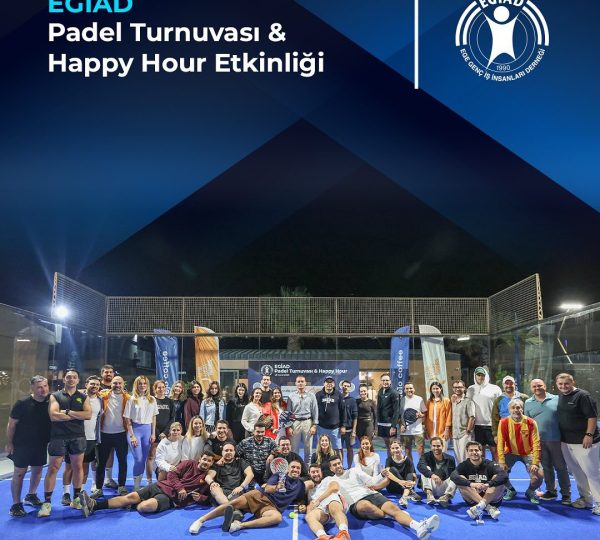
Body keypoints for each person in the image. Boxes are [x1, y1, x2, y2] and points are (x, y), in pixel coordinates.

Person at [329, 456, 440, 540]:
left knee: (393, 508)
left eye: (339, 463)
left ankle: (418, 526)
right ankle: (390, 515)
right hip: (356, 503)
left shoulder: (354, 470)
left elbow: (371, 481)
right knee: (365, 505)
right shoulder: (330, 480)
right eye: (334, 465)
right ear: (331, 468)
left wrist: (381, 475)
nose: (338, 466)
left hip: (372, 494)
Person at [79, 450, 216, 517]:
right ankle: (94, 505)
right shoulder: (189, 463)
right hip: (161, 486)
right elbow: (172, 474)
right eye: (204, 459)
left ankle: (131, 504)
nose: (206, 462)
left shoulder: (208, 478)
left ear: (212, 463)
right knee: (131, 496)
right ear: (200, 459)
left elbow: (208, 499)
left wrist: (201, 498)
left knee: (144, 507)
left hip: (170, 499)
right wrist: (180, 488)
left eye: (209, 461)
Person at [188, 459, 306, 534]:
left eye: (298, 468)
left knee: (277, 518)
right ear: (288, 469)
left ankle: (239, 525)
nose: (295, 469)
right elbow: (267, 489)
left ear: (300, 471)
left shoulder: (301, 485)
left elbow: (301, 499)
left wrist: (302, 505)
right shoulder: (279, 475)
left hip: (272, 508)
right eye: (293, 467)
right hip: (260, 496)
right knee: (232, 504)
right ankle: (201, 520)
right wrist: (277, 487)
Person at [38, 368, 92, 517]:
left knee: (77, 467)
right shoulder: (55, 396)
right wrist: (77, 415)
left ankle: (76, 499)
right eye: (68, 377)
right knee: (53, 468)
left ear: (78, 380)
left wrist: (67, 412)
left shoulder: (83, 397)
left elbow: (88, 415)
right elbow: (54, 416)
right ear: (64, 379)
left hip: (78, 437)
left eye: (74, 377)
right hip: (58, 437)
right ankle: (47, 503)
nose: (71, 379)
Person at [6, 375, 51, 517]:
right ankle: (16, 504)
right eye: (39, 387)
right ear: (32, 388)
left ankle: (31, 495)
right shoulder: (22, 403)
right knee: (19, 473)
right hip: (22, 444)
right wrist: (9, 443)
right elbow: (11, 424)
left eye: (45, 386)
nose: (43, 390)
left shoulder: (51, 402)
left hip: (40, 444)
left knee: (37, 471)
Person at [555, 373, 600, 514]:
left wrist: (589, 435)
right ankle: (586, 500)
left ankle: (599, 502)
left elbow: (592, 417)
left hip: (585, 442)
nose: (563, 386)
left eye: (566, 383)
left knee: (592, 472)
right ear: (557, 384)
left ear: (573, 382)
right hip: (567, 442)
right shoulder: (560, 397)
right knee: (577, 472)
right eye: (560, 384)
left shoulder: (583, 396)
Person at [524, 378, 571, 504]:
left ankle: (566, 494)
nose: (537, 388)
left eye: (539, 385)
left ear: (545, 386)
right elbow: (527, 424)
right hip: (539, 442)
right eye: (534, 386)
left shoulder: (557, 399)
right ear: (531, 388)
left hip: (556, 440)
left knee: (561, 468)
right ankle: (551, 491)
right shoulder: (528, 403)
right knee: (546, 467)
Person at [62, 375, 103, 506]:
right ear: (86, 385)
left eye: (97, 384)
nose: (95, 386)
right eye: (92, 384)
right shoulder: (77, 397)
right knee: (69, 467)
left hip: (91, 438)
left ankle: (80, 493)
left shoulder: (100, 400)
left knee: (84, 467)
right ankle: (66, 493)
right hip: (74, 437)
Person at [497, 398, 543, 504]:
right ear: (509, 410)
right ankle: (510, 490)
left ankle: (530, 491)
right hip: (510, 452)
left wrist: (535, 462)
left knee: (539, 476)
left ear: (522, 409)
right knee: (498, 471)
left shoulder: (531, 422)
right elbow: (500, 443)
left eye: (518, 407)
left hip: (528, 453)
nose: (515, 410)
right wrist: (502, 461)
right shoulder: (503, 422)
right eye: (513, 408)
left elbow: (536, 443)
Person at [451, 441, 508, 521]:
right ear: (467, 452)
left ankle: (480, 506)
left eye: (476, 450)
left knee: (498, 478)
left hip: (492, 499)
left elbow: (504, 475)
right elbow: (453, 476)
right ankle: (489, 508)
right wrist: (472, 484)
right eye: (471, 450)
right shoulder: (464, 465)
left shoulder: (490, 464)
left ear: (481, 452)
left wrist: (487, 484)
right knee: (460, 479)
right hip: (473, 499)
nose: (474, 452)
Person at [94, 375, 130, 498]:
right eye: (115, 383)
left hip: (121, 434)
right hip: (104, 434)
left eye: (119, 383)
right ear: (111, 384)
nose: (117, 385)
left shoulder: (128, 398)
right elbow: (89, 392)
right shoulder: (103, 395)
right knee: (101, 463)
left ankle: (121, 486)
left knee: (122, 462)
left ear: (123, 384)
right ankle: (98, 489)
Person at [123, 375, 159, 490]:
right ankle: (136, 487)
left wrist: (153, 433)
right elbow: (127, 419)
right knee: (138, 459)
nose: (142, 385)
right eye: (140, 383)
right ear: (136, 385)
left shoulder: (152, 399)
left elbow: (153, 417)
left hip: (147, 431)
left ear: (147, 385)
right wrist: (132, 435)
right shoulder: (131, 399)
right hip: (135, 431)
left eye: (144, 383)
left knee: (143, 460)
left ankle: (139, 487)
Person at [305, 463, 348, 540]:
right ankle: (323, 536)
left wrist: (318, 500)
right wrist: (309, 510)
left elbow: (334, 488)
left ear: (321, 472)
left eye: (317, 471)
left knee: (333, 506)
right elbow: (310, 506)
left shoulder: (328, 479)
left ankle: (344, 534)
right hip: (322, 509)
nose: (316, 474)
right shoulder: (310, 491)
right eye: (313, 472)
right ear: (309, 474)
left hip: (333, 500)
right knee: (309, 517)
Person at [466, 367, 502, 460]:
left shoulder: (495, 388)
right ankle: (483, 469)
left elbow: (500, 406)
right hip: (477, 426)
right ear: (475, 376)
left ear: (486, 376)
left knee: (495, 452)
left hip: (492, 425)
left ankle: (496, 469)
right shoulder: (470, 389)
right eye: (478, 375)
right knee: (480, 453)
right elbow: (467, 405)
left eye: (482, 375)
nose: (480, 377)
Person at [205, 442, 254, 506]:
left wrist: (241, 487)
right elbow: (208, 476)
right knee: (214, 488)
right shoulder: (216, 465)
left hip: (236, 491)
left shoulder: (240, 462)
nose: (228, 452)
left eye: (231, 450)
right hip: (221, 493)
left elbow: (250, 474)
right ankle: (229, 506)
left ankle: (227, 507)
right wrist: (212, 483)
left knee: (238, 498)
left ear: (234, 452)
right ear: (222, 452)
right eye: (226, 450)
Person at [147, 380, 175, 484]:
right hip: (154, 433)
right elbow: (150, 418)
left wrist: (165, 432)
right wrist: (158, 433)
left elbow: (172, 418)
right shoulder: (151, 400)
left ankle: (162, 479)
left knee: (165, 458)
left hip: (166, 434)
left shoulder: (170, 401)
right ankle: (149, 481)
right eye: (159, 387)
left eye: (163, 387)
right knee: (151, 457)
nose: (161, 389)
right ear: (154, 389)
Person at [417, 436, 456, 507]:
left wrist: (442, 478)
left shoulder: (450, 459)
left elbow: (453, 474)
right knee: (425, 469)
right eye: (434, 446)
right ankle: (430, 495)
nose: (436, 448)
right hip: (431, 486)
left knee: (456, 475)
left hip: (444, 487)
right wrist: (432, 475)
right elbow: (420, 466)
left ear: (442, 446)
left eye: (438, 446)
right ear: (431, 446)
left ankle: (446, 497)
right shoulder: (425, 456)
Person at [287, 375, 319, 462]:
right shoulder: (291, 396)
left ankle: (307, 467)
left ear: (305, 383)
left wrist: (314, 425)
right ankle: (295, 466)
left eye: (302, 381)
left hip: (308, 422)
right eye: (298, 381)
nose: (300, 383)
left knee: (308, 448)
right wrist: (289, 426)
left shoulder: (311, 396)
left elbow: (315, 411)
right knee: (294, 448)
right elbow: (288, 412)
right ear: (296, 383)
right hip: (295, 423)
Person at [236, 421, 277, 486]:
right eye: (258, 432)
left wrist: (273, 454)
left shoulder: (270, 441)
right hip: (250, 475)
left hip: (265, 474)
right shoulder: (245, 442)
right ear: (254, 431)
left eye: (262, 432)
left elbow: (278, 449)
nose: (260, 434)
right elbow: (235, 453)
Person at [491, 375, 528, 443]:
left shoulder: (523, 398)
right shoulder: (498, 400)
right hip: (504, 430)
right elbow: (494, 418)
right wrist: (495, 435)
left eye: (511, 383)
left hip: (521, 431)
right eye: (506, 383)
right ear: (503, 385)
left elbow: (528, 415)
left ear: (515, 384)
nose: (509, 385)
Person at [381, 440, 419, 506]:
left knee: (410, 474)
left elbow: (414, 475)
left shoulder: (408, 460)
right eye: (393, 448)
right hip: (393, 487)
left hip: (406, 487)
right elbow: (387, 473)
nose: (395, 450)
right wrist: (400, 482)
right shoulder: (389, 460)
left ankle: (404, 497)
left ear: (401, 448)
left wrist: (414, 483)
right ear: (390, 450)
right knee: (392, 469)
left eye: (397, 448)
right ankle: (409, 491)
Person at [315, 376, 345, 459]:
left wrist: (343, 425)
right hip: (321, 427)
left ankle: (340, 466)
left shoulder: (339, 394)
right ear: (324, 383)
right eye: (327, 382)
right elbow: (314, 410)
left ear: (334, 384)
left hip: (335, 428)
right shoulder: (318, 395)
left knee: (337, 449)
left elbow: (343, 410)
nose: (329, 384)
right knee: (321, 449)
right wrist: (314, 424)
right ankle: (320, 465)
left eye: (331, 382)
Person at [450, 379, 475, 464]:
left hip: (464, 434)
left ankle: (468, 472)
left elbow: (472, 417)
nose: (457, 389)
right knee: (458, 458)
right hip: (455, 434)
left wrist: (468, 431)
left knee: (466, 457)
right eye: (455, 387)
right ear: (453, 389)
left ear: (464, 388)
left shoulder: (468, 401)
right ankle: (461, 472)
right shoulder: (453, 401)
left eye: (460, 387)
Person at [399, 382, 427, 459]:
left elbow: (425, 412)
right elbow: (399, 416)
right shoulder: (401, 400)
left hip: (418, 431)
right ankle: (410, 467)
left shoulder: (419, 399)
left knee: (421, 451)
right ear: (404, 390)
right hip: (406, 431)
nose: (409, 390)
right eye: (407, 389)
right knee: (407, 452)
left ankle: (422, 466)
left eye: (411, 388)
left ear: (414, 389)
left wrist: (422, 415)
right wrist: (401, 425)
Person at [376, 374, 400, 456]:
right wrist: (377, 423)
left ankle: (396, 461)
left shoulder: (394, 393)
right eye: (383, 380)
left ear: (390, 381)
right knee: (387, 446)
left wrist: (393, 426)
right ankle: (389, 461)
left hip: (390, 425)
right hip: (381, 423)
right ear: (381, 381)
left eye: (387, 380)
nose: (385, 382)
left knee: (393, 446)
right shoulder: (380, 391)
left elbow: (397, 410)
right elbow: (379, 407)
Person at [424, 382, 452, 450]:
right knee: (434, 452)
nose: (435, 390)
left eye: (437, 388)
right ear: (431, 390)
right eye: (433, 389)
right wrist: (426, 430)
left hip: (442, 432)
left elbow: (449, 416)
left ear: (441, 389)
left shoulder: (446, 401)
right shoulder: (429, 401)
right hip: (431, 431)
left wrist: (447, 430)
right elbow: (425, 416)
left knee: (443, 452)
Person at [340, 380, 358, 468]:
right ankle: (340, 467)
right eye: (344, 386)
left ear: (350, 388)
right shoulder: (338, 398)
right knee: (339, 450)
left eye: (347, 386)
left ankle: (350, 468)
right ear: (341, 387)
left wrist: (354, 431)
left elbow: (355, 417)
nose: (346, 387)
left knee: (350, 449)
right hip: (338, 430)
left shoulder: (352, 400)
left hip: (350, 431)